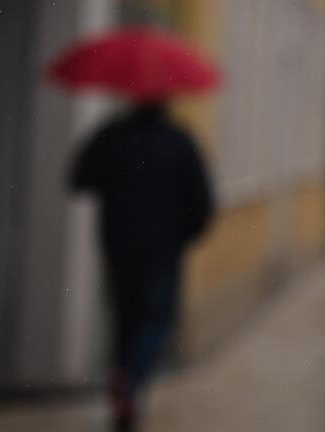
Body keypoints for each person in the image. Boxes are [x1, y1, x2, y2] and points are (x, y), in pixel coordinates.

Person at [70, 102, 212, 431]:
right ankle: (131, 380)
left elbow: (78, 178)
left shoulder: (111, 136)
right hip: (162, 253)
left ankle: (124, 389)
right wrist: (180, 234)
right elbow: (203, 205)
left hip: (119, 249)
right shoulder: (179, 141)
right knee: (154, 322)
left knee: (125, 321)